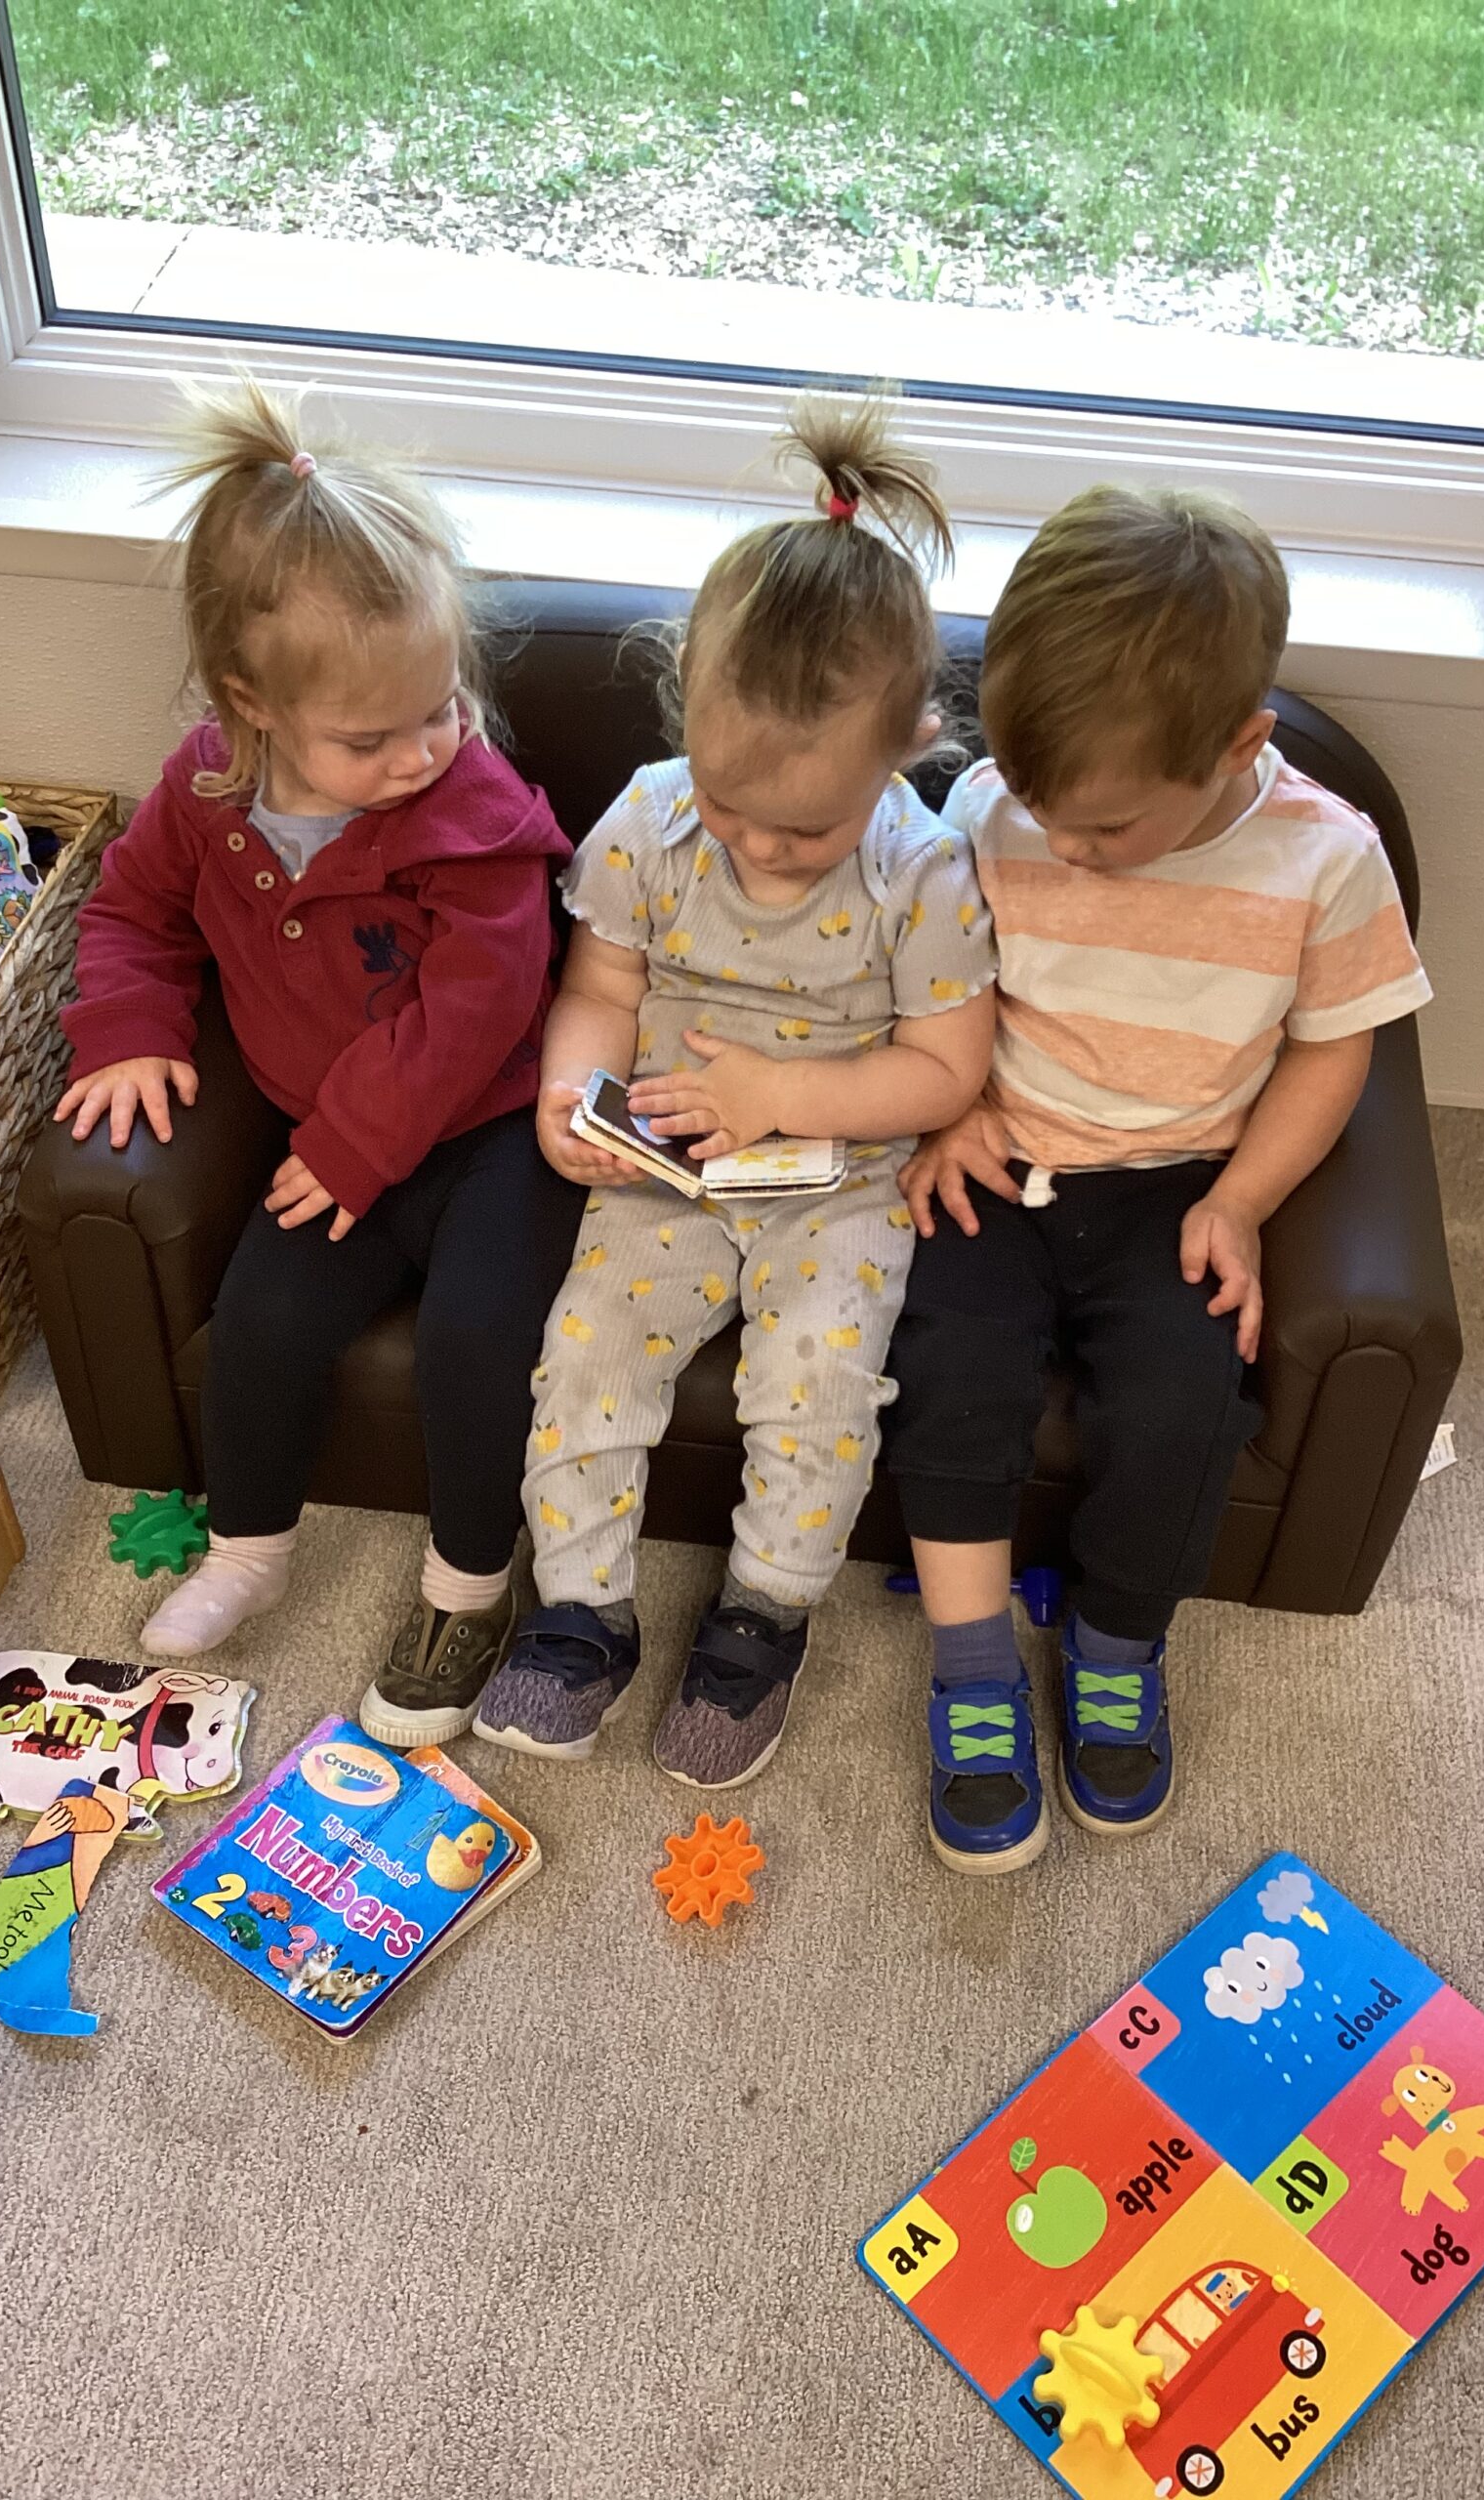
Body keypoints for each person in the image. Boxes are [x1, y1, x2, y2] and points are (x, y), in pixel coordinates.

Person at [886, 485, 1431, 1871]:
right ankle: (972, 1664)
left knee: (1187, 1408)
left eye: (1106, 828)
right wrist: (944, 1110)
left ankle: (1116, 1645)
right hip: (1002, 1156)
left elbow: (1333, 1058)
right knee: (949, 1382)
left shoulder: (1326, 856)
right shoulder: (990, 804)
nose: (1060, 844)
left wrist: (1240, 1200)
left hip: (1178, 1180)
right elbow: (940, 989)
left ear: (1239, 745)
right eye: (1037, 800)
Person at [471, 396, 998, 1788]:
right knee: (585, 1354)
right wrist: (573, 1092)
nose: (760, 845)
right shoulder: (652, 818)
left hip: (840, 1179)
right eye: (732, 801)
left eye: (806, 826)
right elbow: (598, 982)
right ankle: (580, 1611)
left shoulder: (923, 872)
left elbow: (949, 1070)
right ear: (684, 723)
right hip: (667, 1165)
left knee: (817, 1386)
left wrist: (786, 1090)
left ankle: (764, 1614)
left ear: (910, 743)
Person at [55, 383, 585, 1736]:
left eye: (442, 710)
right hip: (322, 1145)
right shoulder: (205, 795)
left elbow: (485, 995)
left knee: (480, 1339)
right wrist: (124, 1031)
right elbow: (128, 914)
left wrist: (355, 1145)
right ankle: (249, 1546)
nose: (421, 753)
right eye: (374, 737)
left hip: (484, 1133)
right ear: (255, 705)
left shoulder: (473, 810)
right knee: (265, 1326)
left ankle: (470, 1586)